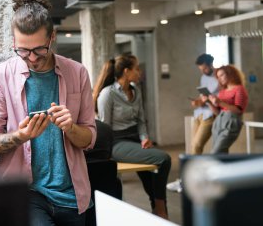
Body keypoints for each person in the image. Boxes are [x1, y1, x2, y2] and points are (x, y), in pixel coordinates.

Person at [0, 0, 96, 226]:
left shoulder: (77, 73)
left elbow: (89, 138)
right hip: (26, 195)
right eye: (23, 50)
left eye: (38, 50)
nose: (32, 58)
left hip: (73, 196)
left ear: (52, 37)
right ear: (14, 42)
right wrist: (20, 136)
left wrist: (71, 127)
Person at [93, 54, 171, 219]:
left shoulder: (136, 91)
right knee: (164, 159)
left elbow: (141, 120)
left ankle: (157, 212)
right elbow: (104, 127)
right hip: (116, 142)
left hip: (135, 140)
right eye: (136, 68)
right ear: (126, 72)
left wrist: (144, 137)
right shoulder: (108, 94)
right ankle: (161, 210)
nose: (139, 71)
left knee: (151, 174)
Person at [166, 53, 219, 193]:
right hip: (199, 114)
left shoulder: (220, 77)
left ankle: (190, 180)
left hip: (210, 115)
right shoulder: (203, 77)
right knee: (192, 147)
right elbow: (204, 96)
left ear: (210, 65)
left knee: (196, 146)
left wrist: (204, 100)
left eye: (203, 69)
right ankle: (188, 179)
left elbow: (216, 98)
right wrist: (197, 101)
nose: (202, 71)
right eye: (200, 69)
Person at [202, 65, 248, 153]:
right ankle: (224, 167)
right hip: (219, 121)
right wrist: (209, 102)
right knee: (221, 153)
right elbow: (218, 112)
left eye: (222, 75)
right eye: (218, 77)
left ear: (230, 74)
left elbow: (238, 110)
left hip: (231, 122)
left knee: (216, 152)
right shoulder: (222, 91)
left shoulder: (239, 89)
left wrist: (219, 102)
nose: (219, 79)